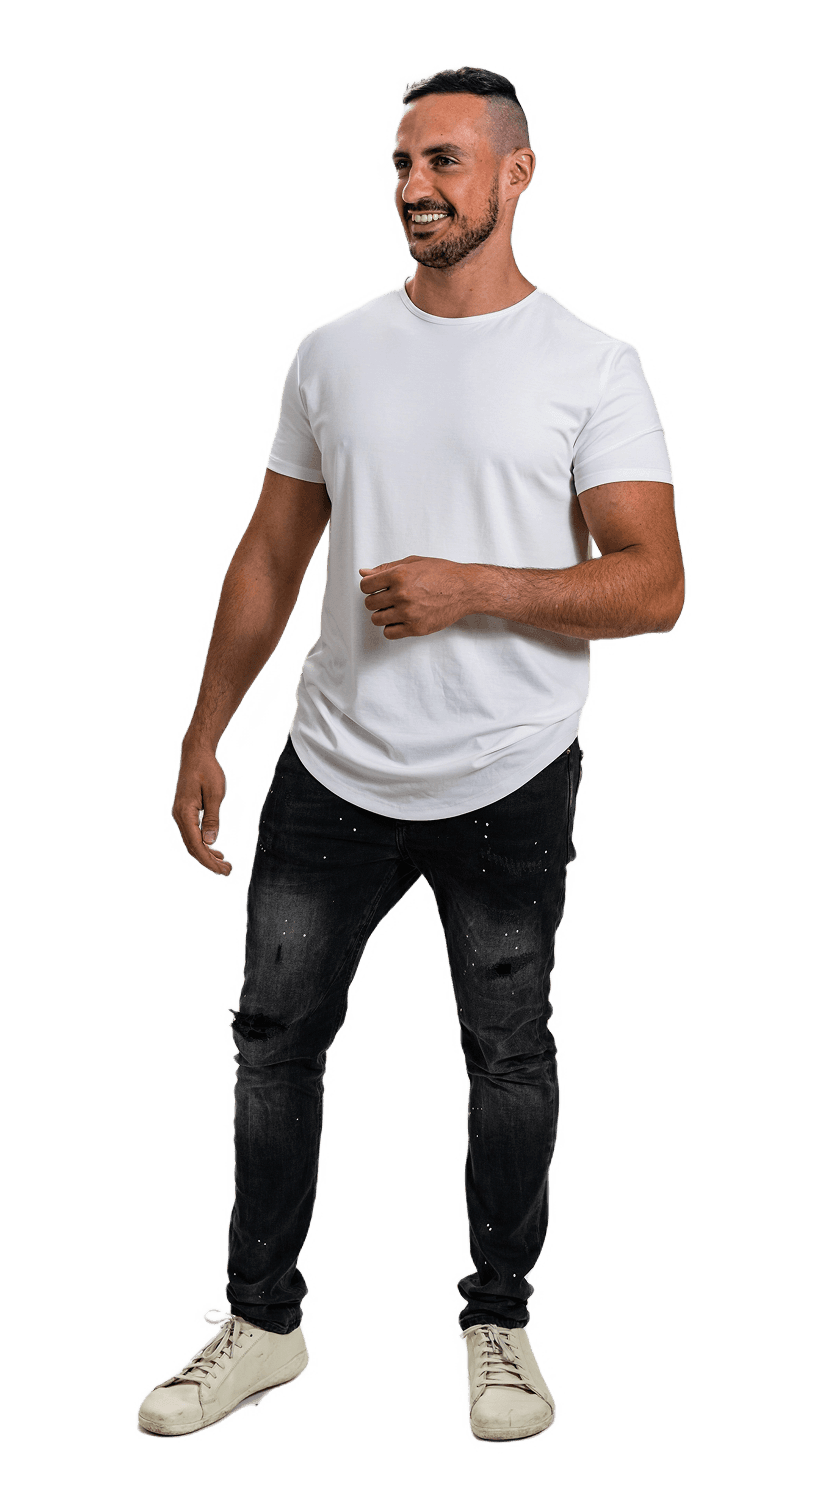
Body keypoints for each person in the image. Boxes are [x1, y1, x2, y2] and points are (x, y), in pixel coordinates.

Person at [137, 64, 685, 1443]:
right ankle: (260, 1326)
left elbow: (654, 583)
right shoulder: (333, 351)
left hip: (510, 770)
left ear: (517, 173)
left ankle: (500, 1324)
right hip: (331, 763)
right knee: (273, 1039)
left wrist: (476, 588)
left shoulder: (592, 364)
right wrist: (207, 728)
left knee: (508, 1049)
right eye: (401, 163)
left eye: (444, 160)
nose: (416, 187)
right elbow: (273, 551)